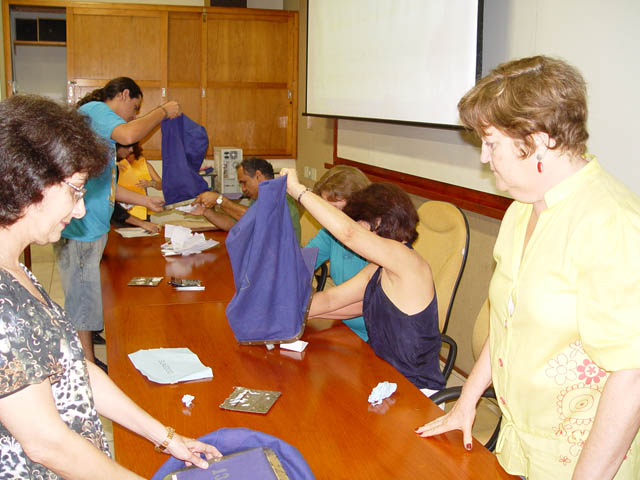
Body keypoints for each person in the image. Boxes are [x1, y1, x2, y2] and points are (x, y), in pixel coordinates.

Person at [415, 56, 640, 480]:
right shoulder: (522, 209)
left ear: (537, 141)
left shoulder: (611, 223)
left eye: (491, 143)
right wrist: (465, 401)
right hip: (519, 442)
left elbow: (632, 376)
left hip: (583, 461)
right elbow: (507, 323)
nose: (485, 158)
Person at [0, 94, 220, 479]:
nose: (81, 209)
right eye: (75, 190)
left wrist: (167, 437)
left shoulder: (16, 271)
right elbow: (46, 444)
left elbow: (74, 370)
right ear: (29, 182)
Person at [54, 77, 180, 369]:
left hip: (93, 227)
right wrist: (162, 111)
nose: (134, 116)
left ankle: (88, 349)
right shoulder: (97, 110)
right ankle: (87, 366)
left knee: (87, 293)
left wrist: (146, 201)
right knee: (82, 297)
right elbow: (129, 134)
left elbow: (107, 186)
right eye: (134, 108)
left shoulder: (101, 131)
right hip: (82, 230)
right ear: (123, 94)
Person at [282, 168, 445, 394]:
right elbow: (331, 300)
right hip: (385, 378)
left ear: (378, 222)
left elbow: (349, 234)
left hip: (416, 392)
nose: (358, 235)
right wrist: (281, 314)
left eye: (361, 224)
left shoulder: (406, 262)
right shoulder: (378, 268)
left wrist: (297, 190)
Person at [305, 165, 371, 341]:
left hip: (373, 337)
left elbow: (366, 303)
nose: (328, 217)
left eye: (334, 208)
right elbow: (301, 264)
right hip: (341, 326)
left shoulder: (378, 240)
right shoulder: (330, 233)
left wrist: (304, 310)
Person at [192, 157, 302, 243]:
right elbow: (233, 224)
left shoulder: (281, 197)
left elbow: (255, 218)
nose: (243, 189)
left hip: (283, 260)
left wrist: (219, 200)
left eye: (244, 182)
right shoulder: (257, 198)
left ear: (258, 176)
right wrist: (205, 211)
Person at [113, 144, 161, 234]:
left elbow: (160, 185)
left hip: (141, 210)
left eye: (131, 154)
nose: (128, 157)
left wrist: (150, 183)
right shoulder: (116, 164)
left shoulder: (144, 164)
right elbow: (112, 190)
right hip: (120, 211)